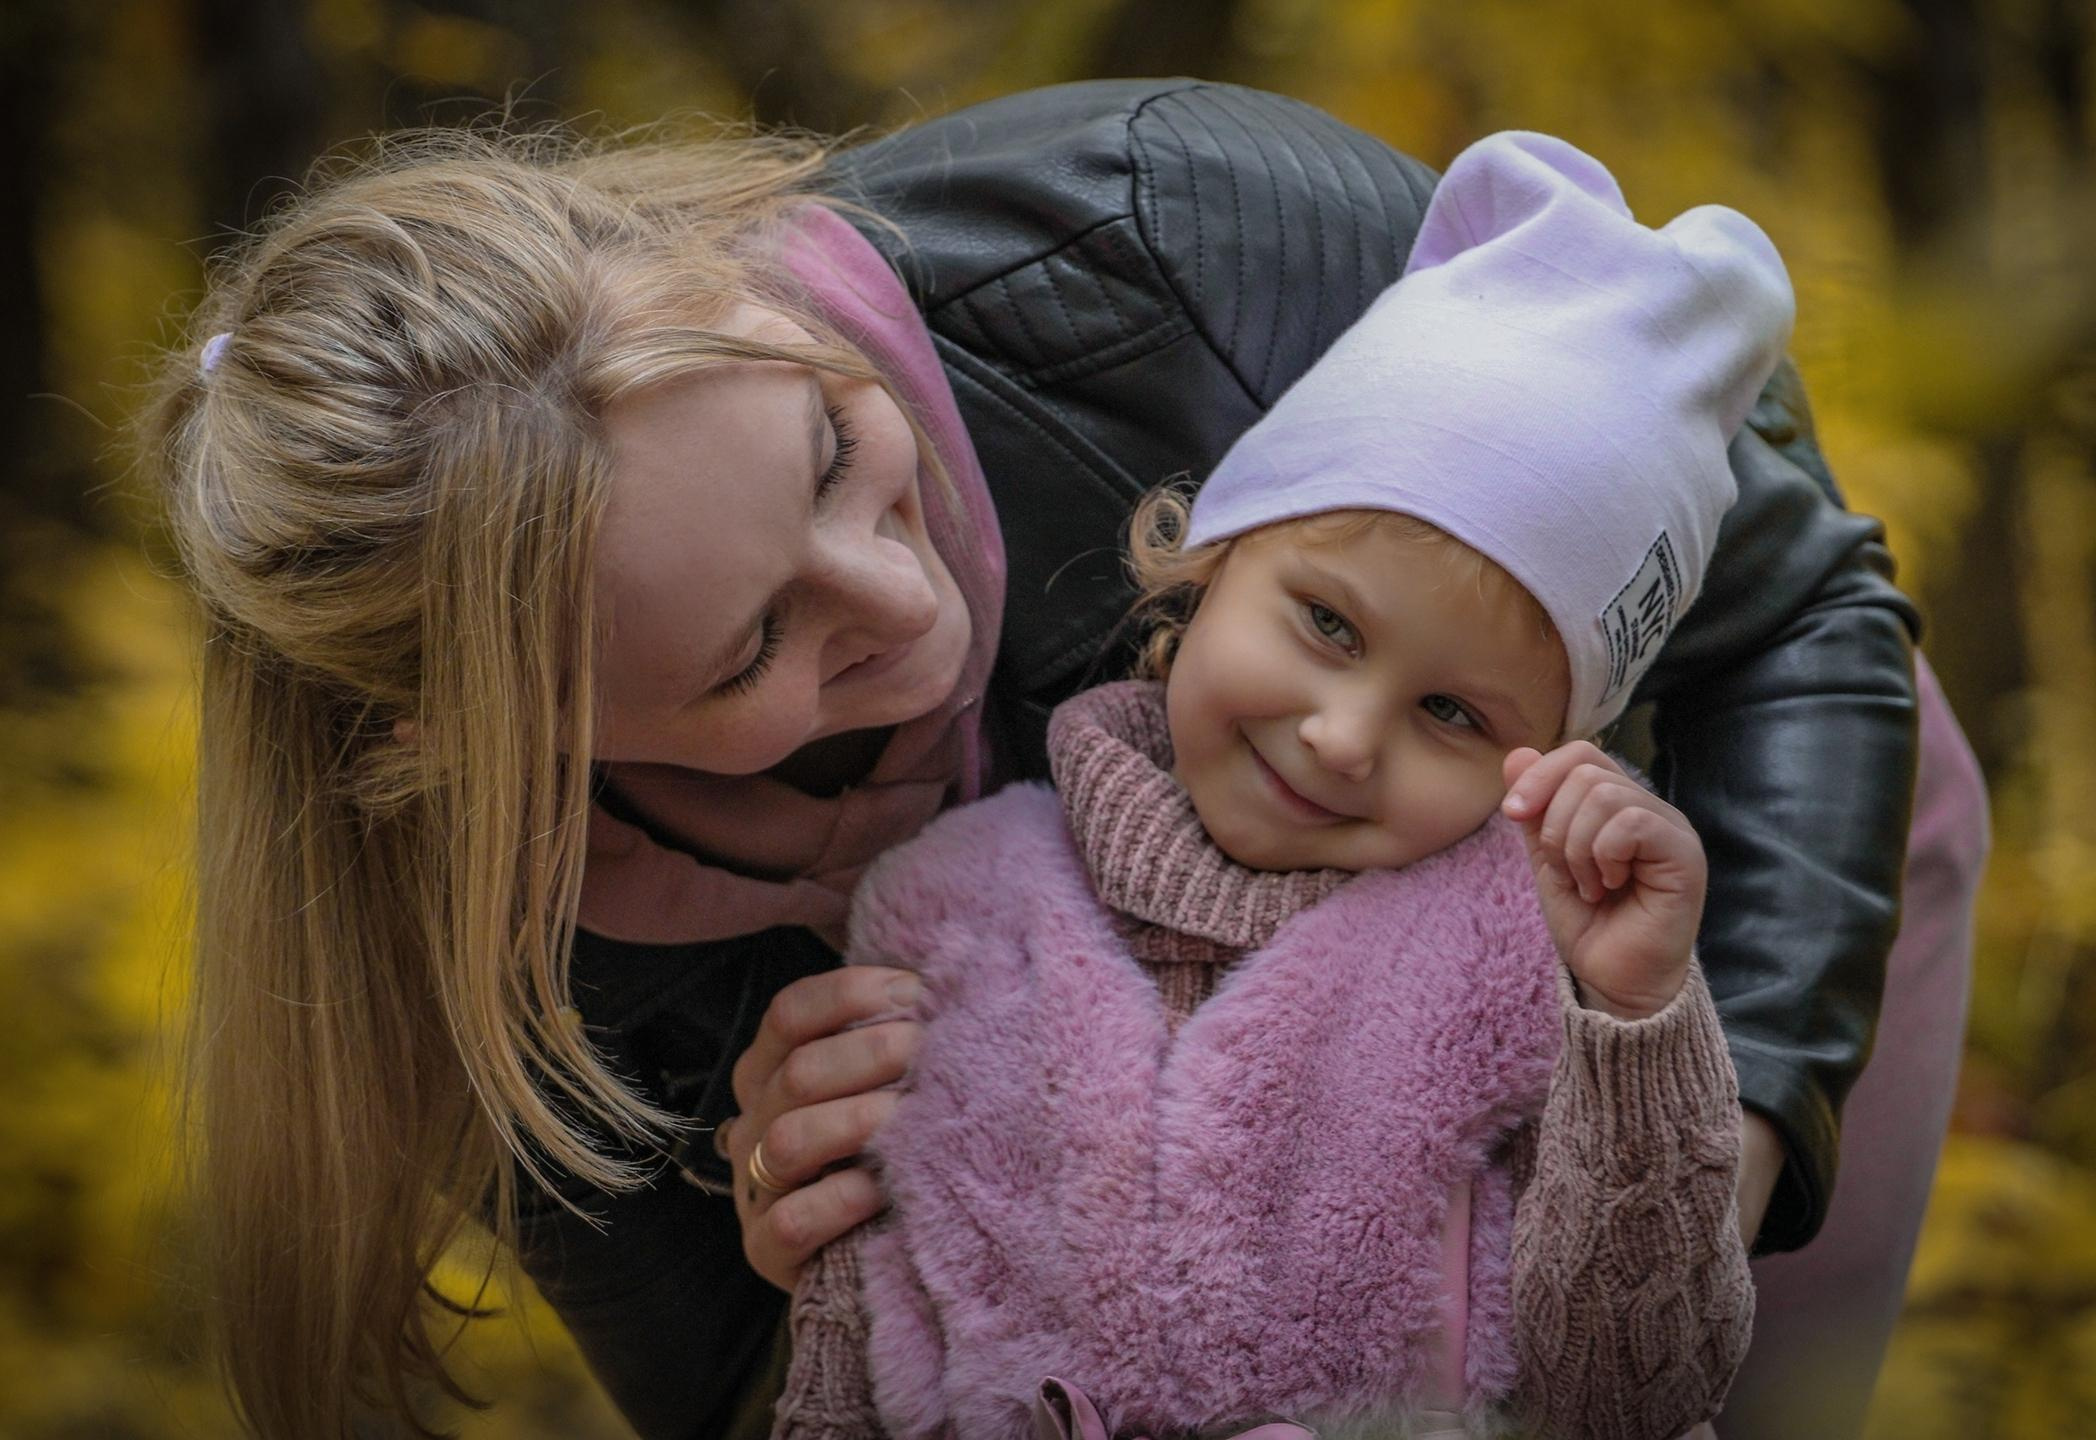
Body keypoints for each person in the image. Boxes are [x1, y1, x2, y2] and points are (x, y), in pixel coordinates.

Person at [139, 79, 1972, 1440]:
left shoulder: (1160, 241)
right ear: (481, 749)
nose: (902, 597)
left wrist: (1691, 1167)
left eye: (832, 451)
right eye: (753, 649)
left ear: (720, 279)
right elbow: (748, 1402)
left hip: (1720, 867)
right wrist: (807, 1253)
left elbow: (1801, 611)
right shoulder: (490, 961)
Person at [771, 129, 1788, 1440]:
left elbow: (1639, 1392)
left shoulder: (1530, 958)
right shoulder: (951, 903)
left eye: (1453, 713)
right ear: (1206, 562)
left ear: (1544, 756)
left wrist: (1638, 1022)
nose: (1347, 737)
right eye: (1328, 624)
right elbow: (849, 1340)